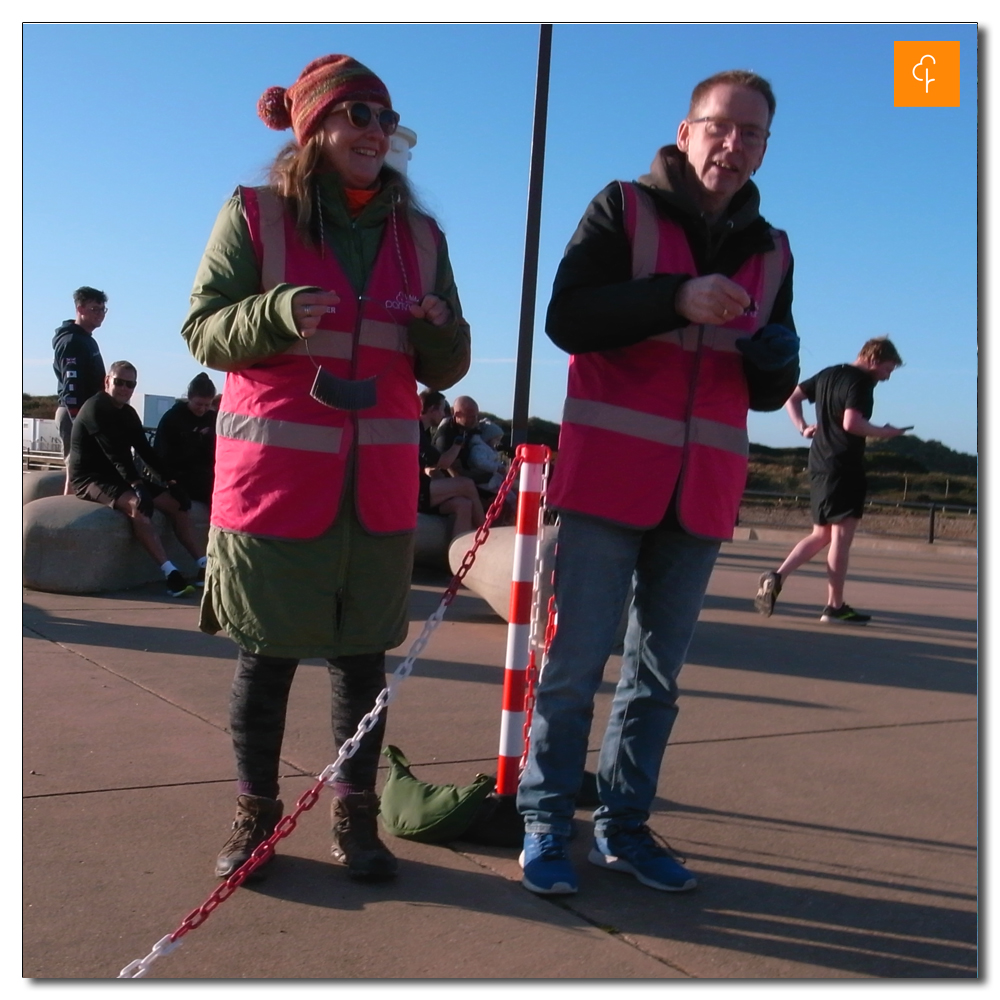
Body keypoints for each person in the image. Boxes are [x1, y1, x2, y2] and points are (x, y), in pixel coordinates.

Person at [180, 54, 470, 884]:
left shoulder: (421, 238)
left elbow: (447, 366)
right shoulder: (255, 215)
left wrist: (442, 328)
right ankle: (255, 817)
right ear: (314, 131)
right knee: (263, 664)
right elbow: (202, 329)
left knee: (362, 671)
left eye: (385, 120)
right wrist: (272, 313)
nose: (376, 133)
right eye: (358, 117)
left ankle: (356, 821)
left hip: (373, 492)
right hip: (275, 488)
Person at [516, 70, 799, 896]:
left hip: (702, 487)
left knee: (657, 678)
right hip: (608, 480)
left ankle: (624, 829)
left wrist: (778, 368)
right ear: (686, 131)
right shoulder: (623, 209)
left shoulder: (773, 247)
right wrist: (675, 297)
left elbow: (767, 385)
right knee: (575, 666)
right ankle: (545, 821)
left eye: (753, 134)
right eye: (721, 127)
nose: (734, 144)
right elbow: (568, 316)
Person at [754, 337, 907, 625]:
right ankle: (834, 607)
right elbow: (852, 424)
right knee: (840, 538)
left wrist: (801, 427)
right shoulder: (861, 382)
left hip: (820, 461)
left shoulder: (828, 373)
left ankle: (776, 576)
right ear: (873, 359)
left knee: (821, 534)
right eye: (887, 369)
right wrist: (885, 433)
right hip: (844, 464)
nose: (887, 377)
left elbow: (793, 396)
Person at [69, 361, 206, 597]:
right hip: (91, 478)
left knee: (178, 506)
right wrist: (137, 486)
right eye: (119, 382)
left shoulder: (129, 413)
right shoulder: (95, 408)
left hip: (119, 475)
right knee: (138, 506)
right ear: (107, 381)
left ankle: (203, 564)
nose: (124, 388)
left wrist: (172, 482)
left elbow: (145, 450)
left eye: (130, 384)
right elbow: (114, 454)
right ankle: (170, 572)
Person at [53, 287, 108, 492]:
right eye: (95, 309)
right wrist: (80, 421)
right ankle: (68, 516)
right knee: (76, 469)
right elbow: (72, 386)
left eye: (103, 309)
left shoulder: (87, 340)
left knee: (83, 467)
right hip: (74, 413)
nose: (100, 314)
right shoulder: (73, 342)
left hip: (84, 412)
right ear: (80, 308)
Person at [418, 389, 485, 538]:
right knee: (467, 485)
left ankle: (458, 555)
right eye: (442, 409)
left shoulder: (425, 431)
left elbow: (430, 464)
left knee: (464, 505)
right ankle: (485, 531)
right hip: (416, 491)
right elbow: (443, 462)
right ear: (431, 409)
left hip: (423, 487)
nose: (443, 414)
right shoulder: (417, 430)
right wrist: (458, 443)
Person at [154, 373, 218, 508]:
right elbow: (161, 453)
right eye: (199, 404)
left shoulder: (212, 418)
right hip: (180, 477)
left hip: (207, 475)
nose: (202, 409)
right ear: (189, 397)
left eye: (207, 405)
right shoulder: (172, 418)